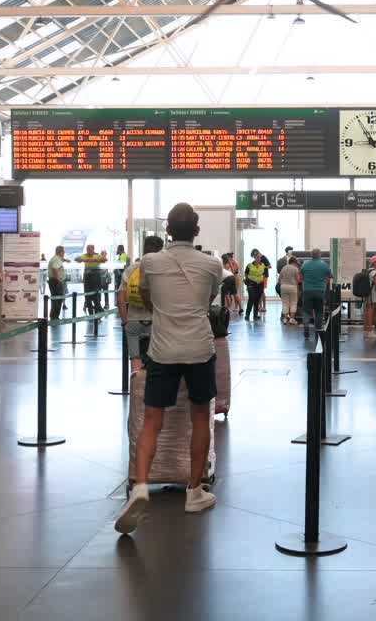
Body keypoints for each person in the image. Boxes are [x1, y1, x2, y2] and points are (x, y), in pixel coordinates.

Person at [115, 203, 222, 534]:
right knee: (200, 415)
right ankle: (194, 491)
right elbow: (207, 302)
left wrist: (163, 310)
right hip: (199, 349)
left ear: (167, 232)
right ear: (197, 231)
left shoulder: (149, 262)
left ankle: (142, 486)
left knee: (152, 419)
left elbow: (146, 299)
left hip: (161, 349)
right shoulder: (212, 265)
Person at [118, 235, 165, 372]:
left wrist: (124, 321)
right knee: (156, 359)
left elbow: (121, 299)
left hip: (133, 319)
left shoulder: (131, 269)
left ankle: (136, 389)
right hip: (156, 320)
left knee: (135, 357)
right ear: (160, 250)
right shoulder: (162, 270)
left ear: (144, 248)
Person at [299, 248, 332, 340]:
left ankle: (306, 326)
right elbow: (330, 276)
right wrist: (324, 281)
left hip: (307, 291)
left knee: (306, 311)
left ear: (311, 255)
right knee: (319, 311)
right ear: (319, 255)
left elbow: (300, 278)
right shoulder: (324, 265)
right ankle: (318, 330)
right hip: (320, 291)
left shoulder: (305, 265)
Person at [76, 245, 108, 314]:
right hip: (87, 279)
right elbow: (77, 259)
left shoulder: (97, 255)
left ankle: (99, 311)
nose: (89, 251)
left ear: (93, 249)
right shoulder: (85, 255)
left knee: (96, 297)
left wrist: (95, 260)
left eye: (90, 249)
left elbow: (105, 260)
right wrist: (85, 260)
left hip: (96, 278)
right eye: (87, 249)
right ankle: (90, 313)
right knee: (87, 297)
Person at [362, 255, 376, 340]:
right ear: (375, 263)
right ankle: (370, 331)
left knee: (367, 312)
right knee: (370, 312)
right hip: (372, 294)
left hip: (367, 294)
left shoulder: (368, 270)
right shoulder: (375, 272)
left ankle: (366, 330)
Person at [243, 250, 267, 322]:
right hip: (251, 284)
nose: (259, 259)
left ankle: (255, 315)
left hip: (259, 284)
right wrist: (248, 280)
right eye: (257, 257)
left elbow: (264, 275)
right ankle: (247, 314)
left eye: (260, 257)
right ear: (254, 257)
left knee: (257, 299)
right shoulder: (249, 265)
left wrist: (261, 280)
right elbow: (246, 274)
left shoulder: (262, 265)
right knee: (251, 298)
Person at [278, 256, 301, 325]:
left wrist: (282, 284)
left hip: (283, 286)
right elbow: (298, 280)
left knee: (285, 303)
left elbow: (279, 279)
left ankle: (285, 319)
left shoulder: (284, 268)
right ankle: (292, 319)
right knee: (293, 303)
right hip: (292, 287)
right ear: (294, 262)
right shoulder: (295, 269)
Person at [47, 246, 66, 320]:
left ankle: (53, 315)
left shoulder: (55, 258)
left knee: (55, 299)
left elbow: (57, 264)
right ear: (60, 252)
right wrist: (58, 279)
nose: (64, 253)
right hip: (55, 281)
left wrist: (65, 260)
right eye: (63, 252)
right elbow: (55, 268)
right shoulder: (57, 259)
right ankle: (55, 316)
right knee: (58, 299)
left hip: (53, 281)